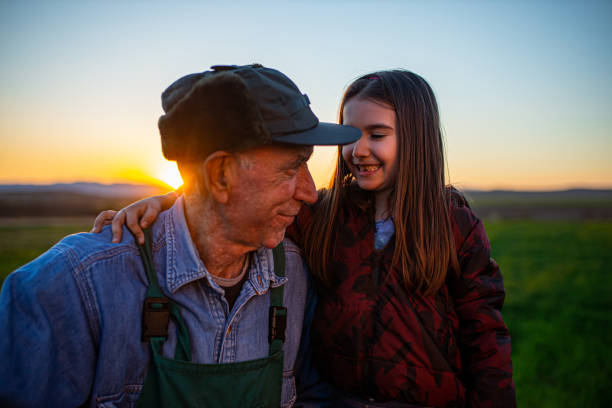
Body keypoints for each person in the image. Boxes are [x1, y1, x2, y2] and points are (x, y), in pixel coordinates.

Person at [94, 70, 516, 407]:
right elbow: (237, 204)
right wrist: (168, 200)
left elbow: (485, 334)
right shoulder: (325, 213)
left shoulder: (453, 224)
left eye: (377, 134)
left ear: (418, 138)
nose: (359, 149)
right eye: (351, 134)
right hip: (338, 398)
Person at [0, 64, 362, 407]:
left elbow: (312, 395)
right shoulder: (72, 287)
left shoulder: (294, 275)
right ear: (220, 175)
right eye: (292, 168)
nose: (310, 192)